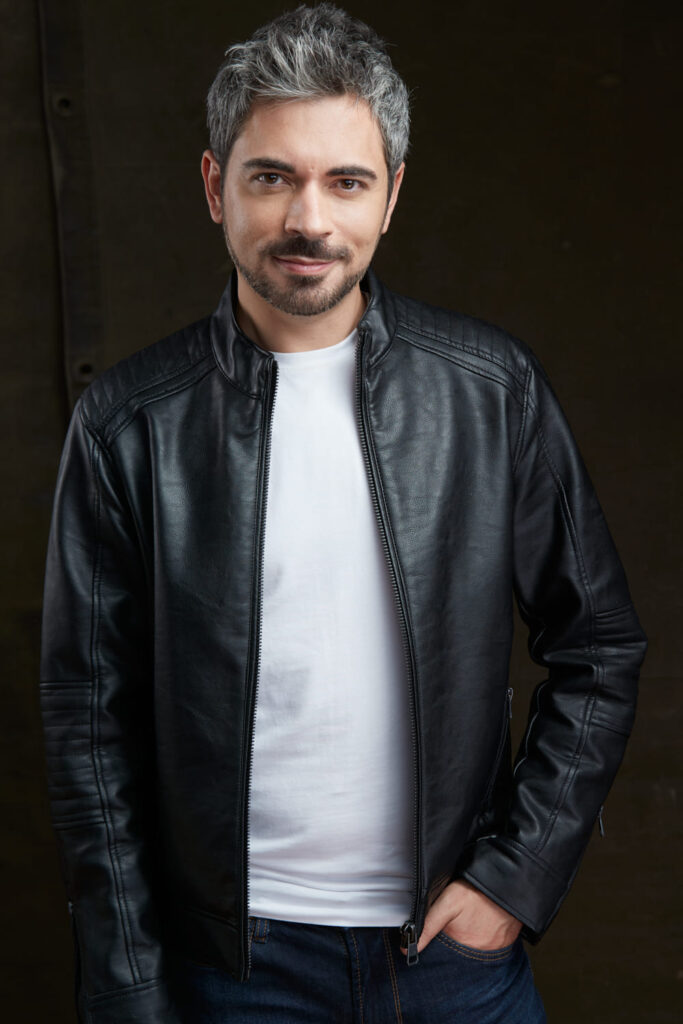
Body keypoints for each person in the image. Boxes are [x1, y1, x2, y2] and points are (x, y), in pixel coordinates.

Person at [39, 4, 647, 1022]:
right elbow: (86, 726)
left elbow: (598, 645)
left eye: (347, 182)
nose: (308, 220)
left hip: (452, 961)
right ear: (214, 186)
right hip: (232, 969)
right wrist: (130, 987)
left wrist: (513, 879)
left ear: (392, 195)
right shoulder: (129, 424)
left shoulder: (488, 390)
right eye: (271, 177)